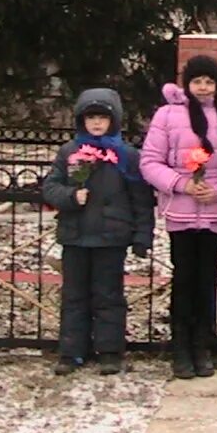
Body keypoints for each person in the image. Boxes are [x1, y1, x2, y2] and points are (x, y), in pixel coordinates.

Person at [140, 55, 217, 379]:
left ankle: (203, 345)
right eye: (197, 81)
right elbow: (150, 161)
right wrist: (182, 184)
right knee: (184, 278)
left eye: (209, 82)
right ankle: (181, 346)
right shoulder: (168, 115)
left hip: (214, 210)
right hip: (181, 210)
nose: (203, 87)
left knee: (206, 280)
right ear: (188, 83)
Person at [42, 88, 154, 376]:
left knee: (108, 296)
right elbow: (50, 186)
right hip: (76, 236)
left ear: (113, 121)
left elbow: (140, 199)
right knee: (74, 296)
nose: (96, 123)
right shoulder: (69, 152)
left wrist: (142, 235)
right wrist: (70, 196)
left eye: (102, 117)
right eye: (90, 117)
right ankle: (71, 351)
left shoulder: (126, 155)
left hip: (110, 238)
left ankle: (109, 351)